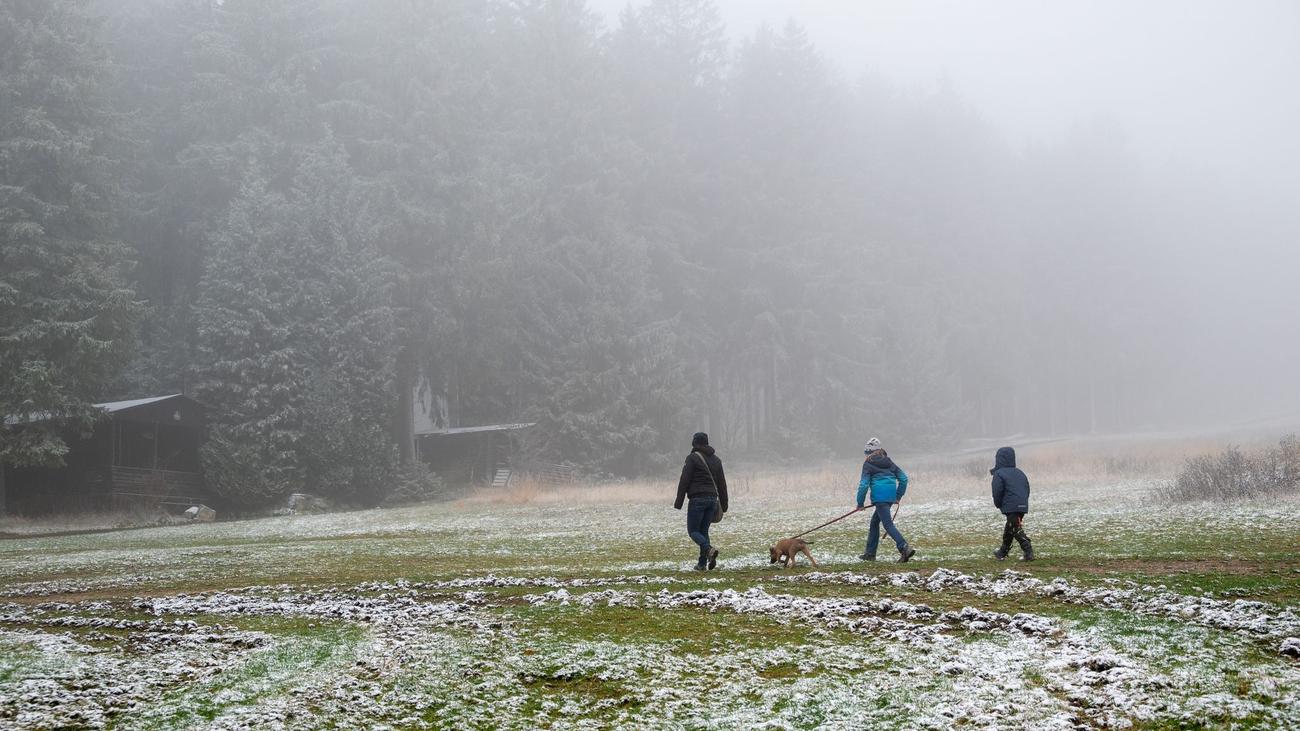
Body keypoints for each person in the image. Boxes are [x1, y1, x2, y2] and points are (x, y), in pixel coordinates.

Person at [673, 431, 728, 571]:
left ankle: (709, 549)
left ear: (695, 443)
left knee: (693, 531)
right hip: (712, 500)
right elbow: (722, 483)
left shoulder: (692, 458)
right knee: (703, 531)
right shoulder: (716, 460)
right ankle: (702, 564)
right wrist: (724, 503)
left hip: (698, 499)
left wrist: (679, 501)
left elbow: (684, 480)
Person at [856, 437, 916, 562]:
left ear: (868, 452)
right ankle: (870, 553)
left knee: (888, 524)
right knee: (874, 522)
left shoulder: (868, 464)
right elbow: (904, 479)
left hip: (880, 498)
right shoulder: (889, 462)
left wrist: (860, 503)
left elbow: (863, 485)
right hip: (888, 498)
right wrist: (897, 496)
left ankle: (904, 547)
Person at [990, 446, 1033, 560]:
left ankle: (1028, 551)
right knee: (1010, 527)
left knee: (1014, 529)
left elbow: (997, 491)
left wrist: (998, 504)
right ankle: (1002, 552)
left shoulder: (999, 473)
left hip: (1010, 505)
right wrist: (1023, 501)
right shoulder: (1019, 472)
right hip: (1022, 504)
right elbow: (1026, 488)